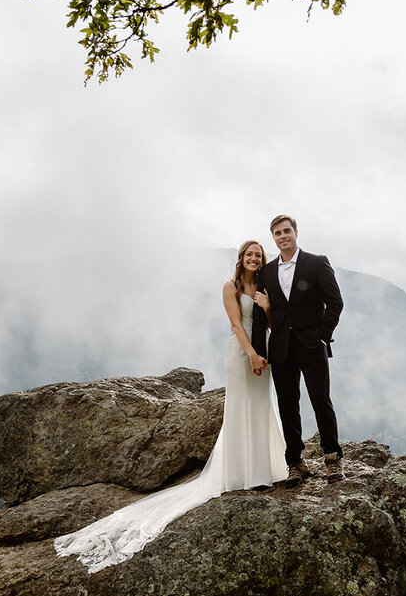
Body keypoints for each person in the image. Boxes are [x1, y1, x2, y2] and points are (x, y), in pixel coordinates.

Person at [54, 241, 288, 573]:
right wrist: (250, 354)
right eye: (250, 254)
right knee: (241, 409)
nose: (254, 259)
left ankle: (262, 469)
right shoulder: (230, 288)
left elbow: (271, 325)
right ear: (241, 259)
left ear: (263, 261)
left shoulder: (265, 288)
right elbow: (237, 326)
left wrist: (267, 306)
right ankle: (241, 472)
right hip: (241, 353)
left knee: (261, 404)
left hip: (263, 353)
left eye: (259, 256)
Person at [252, 214, 344, 484]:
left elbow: (335, 302)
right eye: (277, 233)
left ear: (295, 232)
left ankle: (332, 458)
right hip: (280, 348)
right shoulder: (267, 272)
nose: (283, 236)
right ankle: (295, 462)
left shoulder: (317, 263)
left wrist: (322, 336)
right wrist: (259, 351)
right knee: (287, 405)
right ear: (273, 238)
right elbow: (260, 315)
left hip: (312, 345)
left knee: (320, 400)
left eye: (286, 231)